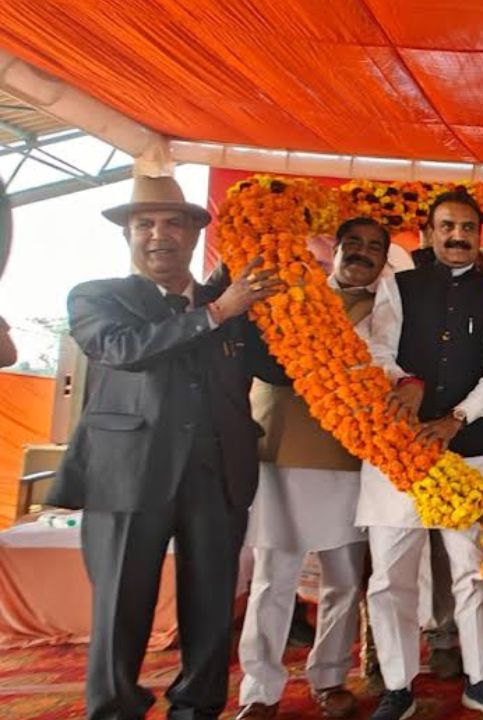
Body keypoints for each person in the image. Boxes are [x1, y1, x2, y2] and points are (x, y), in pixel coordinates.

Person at [47, 175, 285, 720]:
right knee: (120, 607)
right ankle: (114, 709)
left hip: (218, 473)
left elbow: (278, 370)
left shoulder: (235, 301)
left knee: (211, 607)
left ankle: (197, 708)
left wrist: (298, 304)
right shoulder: (98, 296)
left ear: (196, 235)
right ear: (127, 235)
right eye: (145, 225)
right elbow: (124, 349)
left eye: (173, 223)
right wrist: (216, 314)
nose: (159, 235)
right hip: (127, 475)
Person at [358, 189, 483, 720]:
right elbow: (375, 351)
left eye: (467, 228)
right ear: (428, 233)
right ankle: (398, 686)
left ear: (481, 235)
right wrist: (404, 381)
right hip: (398, 452)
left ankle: (482, 680)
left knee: (474, 572)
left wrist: (457, 418)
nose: (457, 236)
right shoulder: (398, 286)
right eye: (447, 226)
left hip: (469, 451)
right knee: (390, 576)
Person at [236, 218, 391, 720]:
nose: (362, 253)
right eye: (353, 244)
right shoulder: (292, 295)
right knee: (273, 577)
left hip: (349, 455)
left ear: (384, 259)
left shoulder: (389, 311)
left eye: (374, 247)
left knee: (343, 578)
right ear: (336, 249)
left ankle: (329, 678)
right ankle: (259, 690)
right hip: (281, 449)